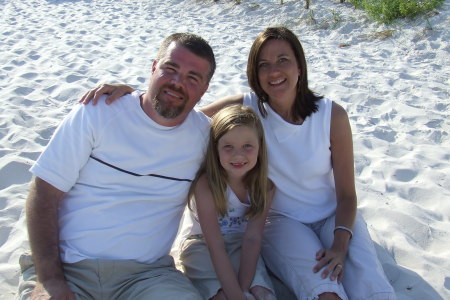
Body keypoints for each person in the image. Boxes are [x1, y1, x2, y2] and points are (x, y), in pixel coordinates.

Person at [79, 27, 396, 299]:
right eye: (263, 64)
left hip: (334, 215)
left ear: (300, 66)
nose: (274, 72)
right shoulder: (247, 108)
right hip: (281, 220)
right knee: (324, 290)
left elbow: (347, 195)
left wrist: (340, 244)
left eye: (283, 60)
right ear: (254, 74)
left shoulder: (331, 115)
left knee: (370, 284)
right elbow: (181, 116)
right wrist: (135, 97)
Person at [20, 32, 216, 300]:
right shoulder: (99, 111)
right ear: (153, 67)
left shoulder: (204, 137)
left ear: (205, 89)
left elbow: (246, 116)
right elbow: (43, 192)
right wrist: (50, 280)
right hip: (68, 268)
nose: (177, 82)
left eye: (193, 78)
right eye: (170, 69)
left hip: (147, 277)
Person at [179, 105, 276, 300]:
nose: (238, 155)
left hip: (241, 242)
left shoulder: (264, 187)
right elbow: (214, 243)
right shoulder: (207, 185)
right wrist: (235, 294)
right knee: (222, 295)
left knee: (260, 292)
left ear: (260, 147)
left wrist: (243, 288)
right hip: (201, 245)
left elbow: (253, 238)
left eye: (247, 146)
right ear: (216, 149)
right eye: (228, 147)